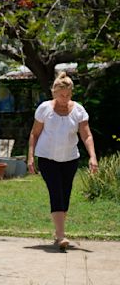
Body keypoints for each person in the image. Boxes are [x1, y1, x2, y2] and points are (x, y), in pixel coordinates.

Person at [28, 71, 98, 250]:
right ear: (54, 92)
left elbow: (86, 135)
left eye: (67, 95)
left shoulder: (79, 110)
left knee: (65, 195)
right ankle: (60, 236)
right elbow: (34, 134)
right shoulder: (44, 108)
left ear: (71, 93)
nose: (64, 98)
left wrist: (92, 156)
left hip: (70, 159)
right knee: (56, 193)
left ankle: (58, 230)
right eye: (61, 95)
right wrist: (30, 157)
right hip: (47, 158)